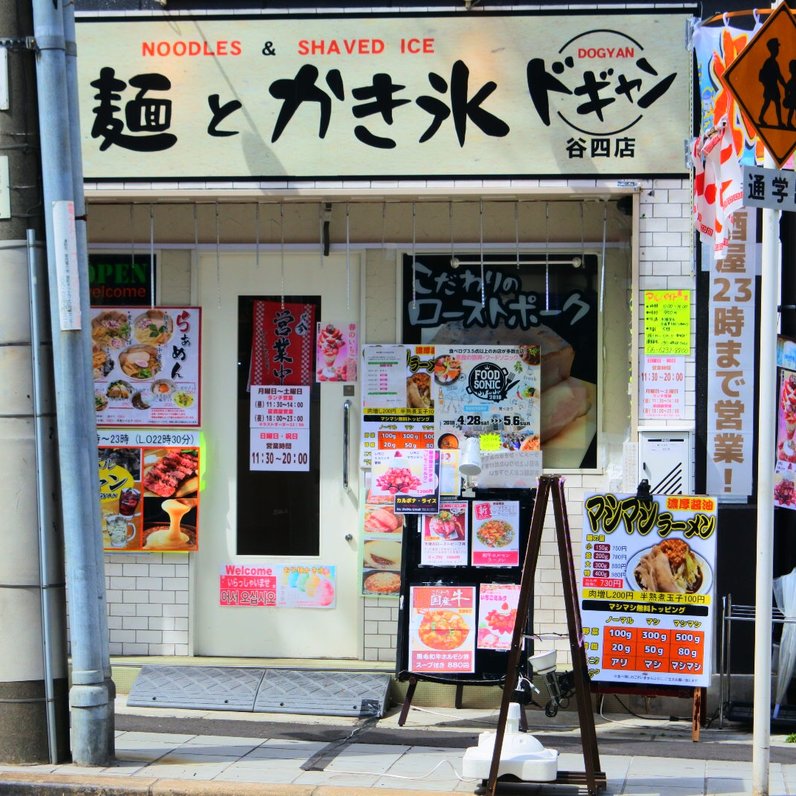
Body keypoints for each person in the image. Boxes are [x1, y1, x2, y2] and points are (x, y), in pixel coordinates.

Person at [759, 37, 786, 128]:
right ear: (772, 49)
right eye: (776, 48)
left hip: (772, 86)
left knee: (770, 102)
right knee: (773, 102)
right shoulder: (770, 62)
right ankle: (777, 122)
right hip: (770, 86)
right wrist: (785, 86)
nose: (777, 50)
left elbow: (779, 76)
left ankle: (764, 118)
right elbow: (779, 76)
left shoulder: (774, 62)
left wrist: (785, 86)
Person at [785, 59, 796, 130]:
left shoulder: (791, 80)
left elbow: (787, 89)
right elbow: (787, 89)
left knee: (792, 110)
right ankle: (789, 123)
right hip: (792, 98)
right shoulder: (791, 81)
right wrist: (787, 97)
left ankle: (789, 123)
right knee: (791, 110)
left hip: (793, 98)